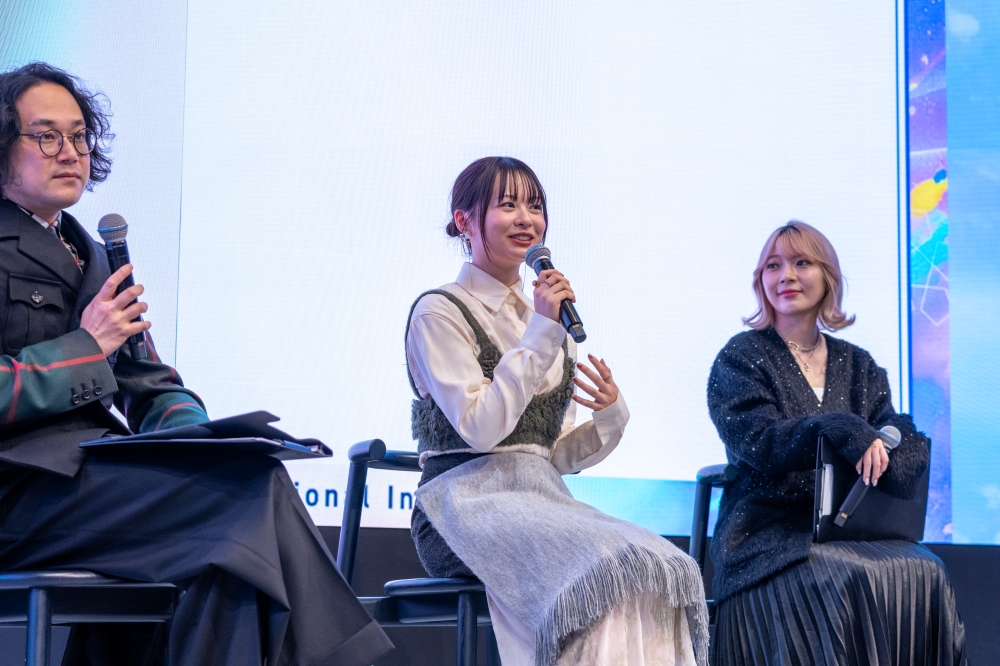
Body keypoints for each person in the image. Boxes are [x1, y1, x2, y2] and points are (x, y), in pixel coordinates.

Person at [0, 62, 393, 666]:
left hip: (90, 482)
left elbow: (151, 385)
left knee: (240, 512)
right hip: (22, 490)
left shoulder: (93, 255)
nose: (70, 152)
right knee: (243, 502)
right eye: (47, 136)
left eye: (79, 136)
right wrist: (86, 347)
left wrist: (203, 439)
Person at [405, 156, 709, 666]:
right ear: (464, 221)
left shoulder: (548, 323)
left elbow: (549, 455)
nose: (526, 219)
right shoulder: (440, 311)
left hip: (540, 499)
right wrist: (543, 330)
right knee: (599, 574)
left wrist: (611, 418)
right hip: (460, 508)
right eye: (508, 205)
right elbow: (481, 429)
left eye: (535, 206)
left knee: (654, 566)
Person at [706, 221, 966, 665]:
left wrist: (892, 441)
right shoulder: (740, 357)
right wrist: (838, 428)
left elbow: (893, 429)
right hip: (767, 530)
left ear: (827, 276)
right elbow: (762, 442)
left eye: (801, 263)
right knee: (847, 574)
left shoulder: (858, 364)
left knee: (927, 570)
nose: (786, 275)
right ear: (761, 280)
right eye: (774, 266)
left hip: (848, 529)